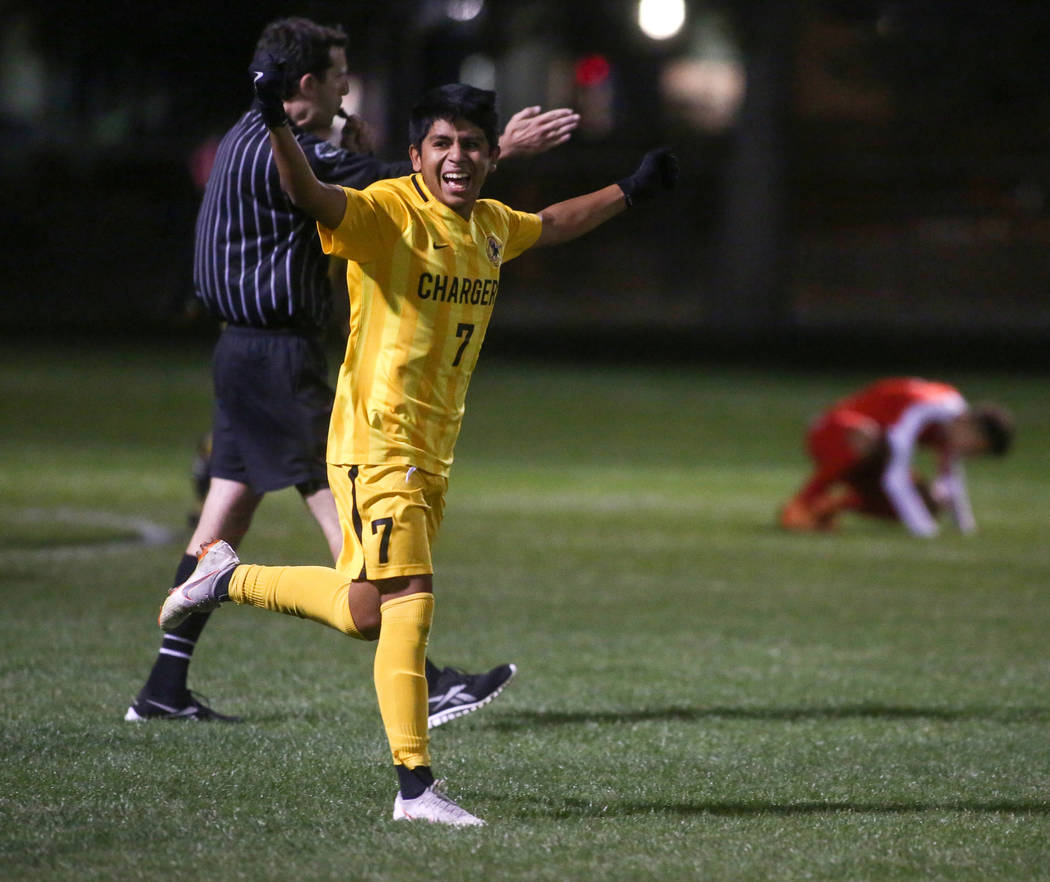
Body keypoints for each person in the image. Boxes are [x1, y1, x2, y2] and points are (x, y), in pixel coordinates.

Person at [157, 71, 678, 825]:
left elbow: (555, 222)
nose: (456, 157)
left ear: (491, 156)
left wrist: (629, 190)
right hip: (378, 441)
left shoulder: (491, 225)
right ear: (417, 153)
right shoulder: (387, 214)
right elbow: (312, 196)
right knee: (411, 603)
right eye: (442, 144)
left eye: (470, 144)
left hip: (430, 450)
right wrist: (275, 126)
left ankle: (225, 576)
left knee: (367, 610)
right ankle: (415, 789)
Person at [126, 16, 581, 724]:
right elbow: (415, 192)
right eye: (341, 75)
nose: (348, 87)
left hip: (244, 351)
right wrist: (502, 149)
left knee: (222, 520)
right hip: (279, 354)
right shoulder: (292, 150)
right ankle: (426, 677)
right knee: (350, 515)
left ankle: (162, 688)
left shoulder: (243, 136)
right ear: (308, 83)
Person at [778, 377, 1014, 537]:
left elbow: (950, 476)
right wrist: (924, 530)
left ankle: (829, 507)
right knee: (866, 437)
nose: (971, 454)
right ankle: (801, 505)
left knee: (929, 502)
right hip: (831, 433)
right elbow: (895, 477)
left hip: (876, 457)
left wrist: (964, 526)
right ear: (967, 424)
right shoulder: (923, 409)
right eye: (976, 447)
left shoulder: (952, 417)